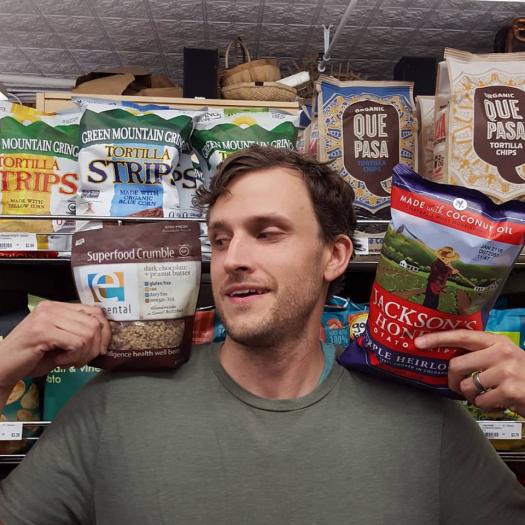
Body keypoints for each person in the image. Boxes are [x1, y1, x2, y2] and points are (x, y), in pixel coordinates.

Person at [1, 145, 525, 524]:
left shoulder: (427, 423)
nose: (234, 259)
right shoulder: (114, 407)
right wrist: (4, 370)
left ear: (334, 255)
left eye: (267, 233)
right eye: (220, 239)